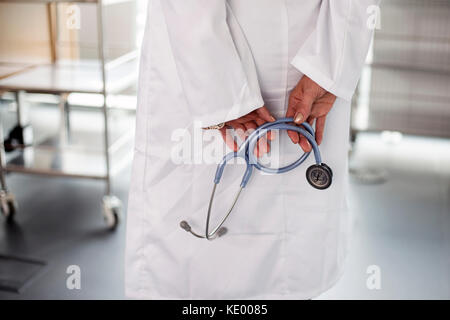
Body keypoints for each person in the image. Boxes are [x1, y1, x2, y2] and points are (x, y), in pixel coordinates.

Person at [125, 0, 380, 299]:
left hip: (302, 59)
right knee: (188, 266)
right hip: (194, 59)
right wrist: (220, 92)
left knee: (292, 266)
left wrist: (329, 66)